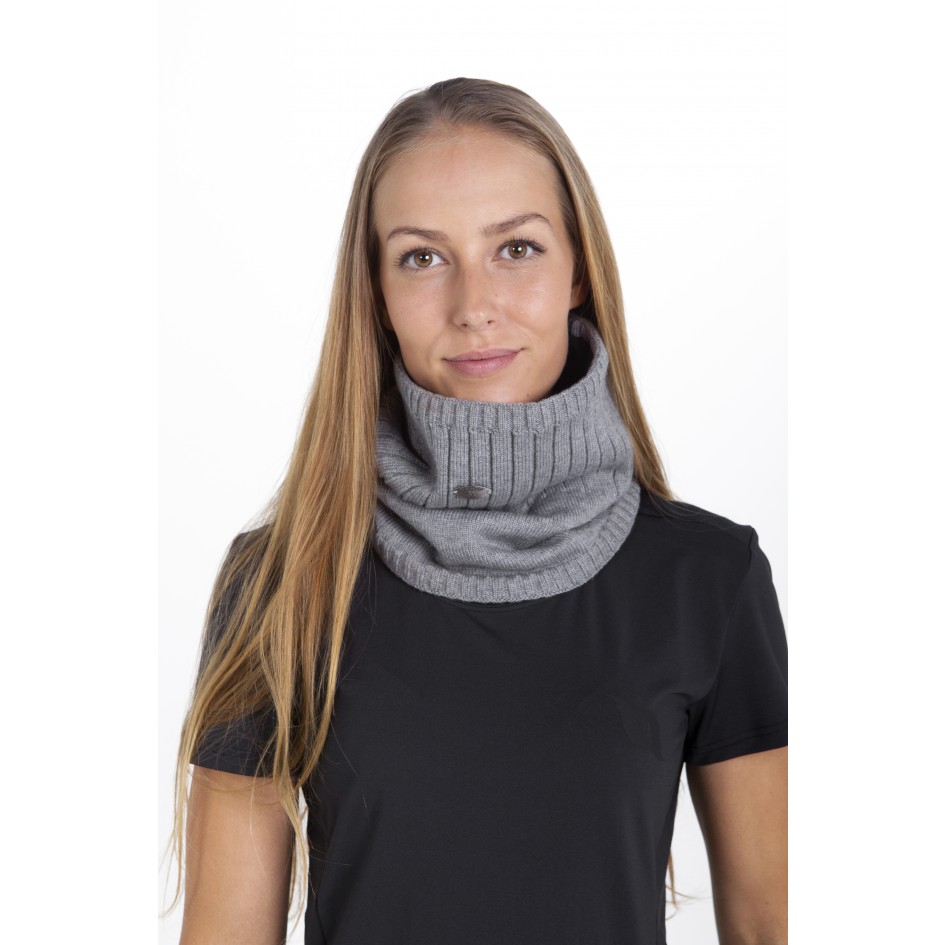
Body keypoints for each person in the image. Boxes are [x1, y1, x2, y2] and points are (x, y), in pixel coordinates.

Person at [171, 77, 788, 945]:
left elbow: (771, 926)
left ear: (578, 269)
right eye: (421, 258)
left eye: (516, 248)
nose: (472, 307)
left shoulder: (708, 580)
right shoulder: (280, 581)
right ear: (375, 293)